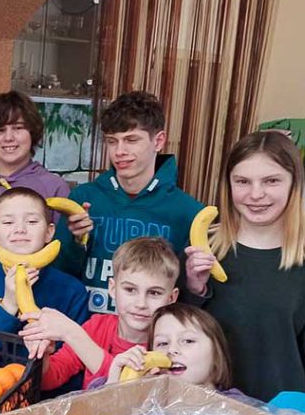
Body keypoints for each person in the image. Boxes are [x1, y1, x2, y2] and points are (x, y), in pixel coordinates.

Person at [185, 131, 305, 402]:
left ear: (295, 184)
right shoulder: (202, 248)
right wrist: (193, 289)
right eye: (243, 181)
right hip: (202, 411)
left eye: (271, 181)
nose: (256, 194)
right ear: (228, 185)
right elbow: (174, 335)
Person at [52, 91, 203, 315]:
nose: (120, 152)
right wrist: (76, 243)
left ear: (158, 141)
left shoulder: (188, 212)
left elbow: (185, 297)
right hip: (84, 333)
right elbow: (58, 276)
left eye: (131, 140)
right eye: (112, 142)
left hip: (149, 340)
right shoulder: (83, 198)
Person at [20, 237, 179, 392]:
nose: (141, 304)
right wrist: (44, 356)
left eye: (154, 293)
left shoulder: (170, 344)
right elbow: (50, 380)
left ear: (172, 298)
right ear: (112, 288)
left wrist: (72, 333)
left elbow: (126, 391)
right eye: (130, 290)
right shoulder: (97, 327)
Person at [0, 188, 88, 354]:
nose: (20, 229)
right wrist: (8, 304)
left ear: (49, 232)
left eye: (32, 222)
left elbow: (75, 359)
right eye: (8, 222)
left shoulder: (72, 291)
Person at [0, 90, 68, 221]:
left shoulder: (52, 187)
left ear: (32, 133)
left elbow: (63, 239)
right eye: (0, 130)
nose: (8, 138)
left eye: (18, 128)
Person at [109, 302, 233, 393]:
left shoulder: (239, 405)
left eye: (188, 341)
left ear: (216, 353)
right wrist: (114, 384)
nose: (171, 350)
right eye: (162, 343)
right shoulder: (141, 396)